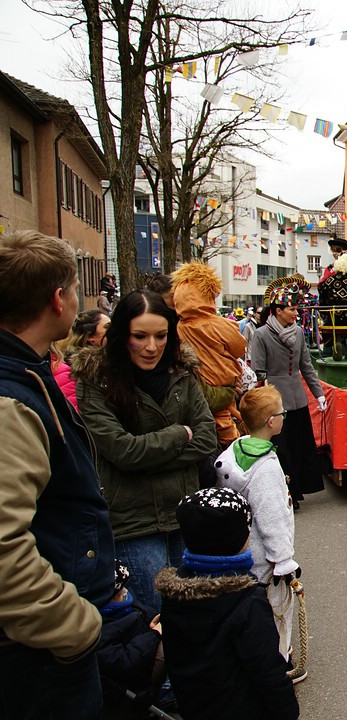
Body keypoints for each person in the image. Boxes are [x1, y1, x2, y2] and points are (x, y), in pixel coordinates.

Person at [0, 230, 116, 719]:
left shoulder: (27, 372)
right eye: (75, 286)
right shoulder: (9, 400)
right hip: (37, 652)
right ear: (58, 299)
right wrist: (75, 626)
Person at [73, 290, 217, 613]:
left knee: (191, 615)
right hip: (134, 523)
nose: (152, 347)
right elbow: (121, 451)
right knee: (157, 615)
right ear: (123, 334)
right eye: (140, 336)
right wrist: (179, 434)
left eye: (160, 336)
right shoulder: (96, 381)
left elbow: (207, 439)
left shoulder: (181, 372)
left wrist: (142, 457)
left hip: (184, 514)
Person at [156, 488, 300, 719]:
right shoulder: (247, 600)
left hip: (195, 705)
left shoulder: (174, 593)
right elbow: (267, 669)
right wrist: (287, 711)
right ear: (240, 537)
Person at [216, 386, 301, 669]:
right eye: (281, 413)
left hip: (246, 551)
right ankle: (279, 662)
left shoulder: (237, 449)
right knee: (277, 610)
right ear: (271, 421)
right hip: (268, 560)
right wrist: (284, 561)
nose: (284, 417)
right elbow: (271, 516)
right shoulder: (265, 466)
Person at [249, 275, 327, 507]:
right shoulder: (262, 334)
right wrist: (263, 402)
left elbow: (307, 366)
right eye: (292, 309)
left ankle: (300, 490)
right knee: (281, 450)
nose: (295, 313)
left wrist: (318, 393)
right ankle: (286, 494)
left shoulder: (299, 332)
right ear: (278, 310)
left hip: (298, 399)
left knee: (300, 446)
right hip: (275, 402)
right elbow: (258, 372)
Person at [172, 262, 248, 446]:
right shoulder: (218, 324)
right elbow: (240, 347)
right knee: (227, 425)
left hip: (202, 382)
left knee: (219, 421)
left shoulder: (179, 327)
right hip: (222, 379)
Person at [97, 560, 165, 712]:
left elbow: (144, 612)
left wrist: (157, 618)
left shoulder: (125, 605)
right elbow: (123, 662)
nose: (125, 592)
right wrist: (154, 635)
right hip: (125, 691)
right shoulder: (99, 628)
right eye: (119, 591)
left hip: (142, 670)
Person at [318, 252, 347, 360]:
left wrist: (325, 314)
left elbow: (322, 302)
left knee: (331, 320)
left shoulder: (326, 283)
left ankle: (336, 342)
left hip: (332, 319)